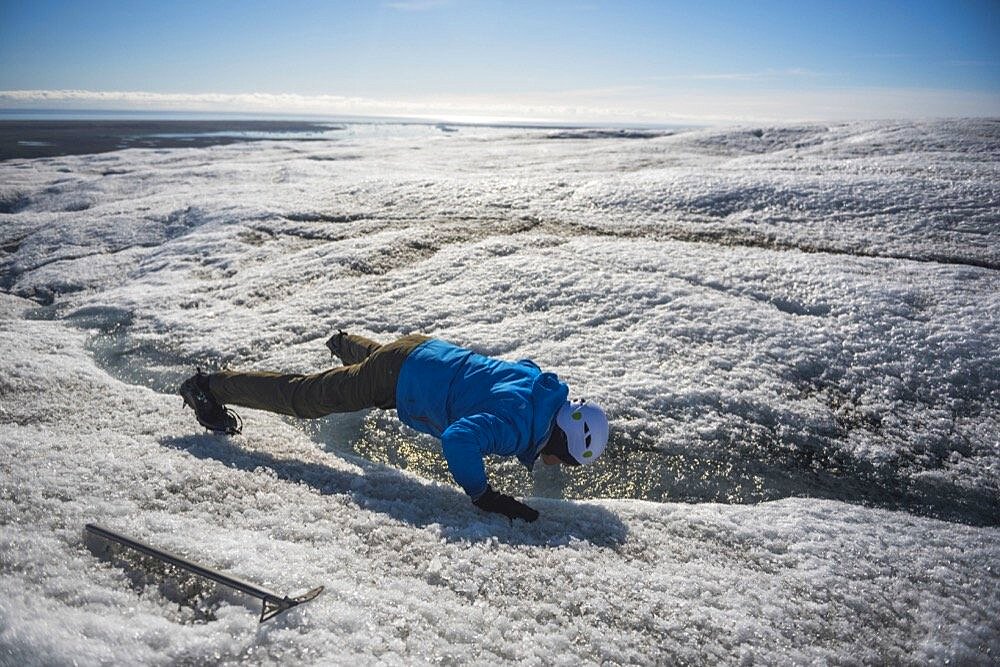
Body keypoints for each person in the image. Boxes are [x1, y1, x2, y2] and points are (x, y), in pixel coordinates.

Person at [180, 331, 609, 522]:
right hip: (397, 378)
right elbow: (460, 438)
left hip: (422, 350)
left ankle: (344, 342)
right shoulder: (516, 427)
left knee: (373, 369)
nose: (557, 465)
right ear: (560, 437)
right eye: (565, 460)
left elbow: (522, 368)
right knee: (304, 398)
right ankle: (208, 387)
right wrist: (483, 494)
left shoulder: (540, 391)